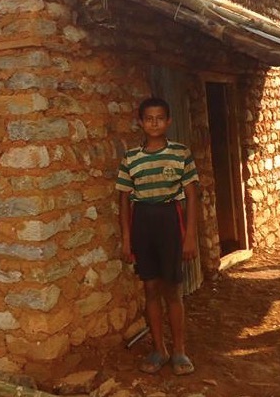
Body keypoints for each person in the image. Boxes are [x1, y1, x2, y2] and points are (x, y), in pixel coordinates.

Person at [116, 96, 198, 376]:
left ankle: (179, 350)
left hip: (169, 220)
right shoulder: (131, 158)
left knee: (172, 288)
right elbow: (124, 200)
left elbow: (191, 195)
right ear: (140, 122)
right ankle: (158, 349)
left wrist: (190, 237)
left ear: (168, 121)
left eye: (159, 118)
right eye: (148, 118)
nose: (154, 123)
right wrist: (127, 239)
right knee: (150, 288)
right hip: (143, 222)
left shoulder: (180, 153)